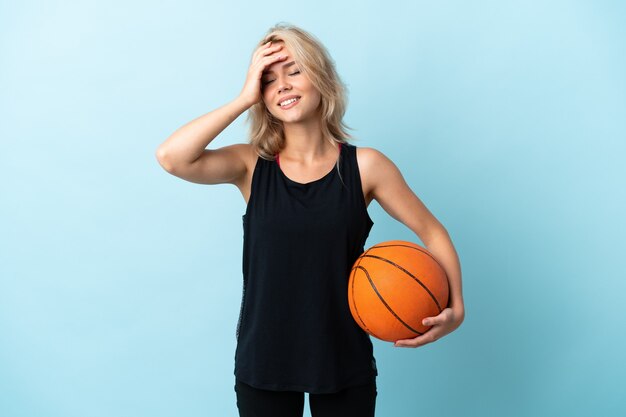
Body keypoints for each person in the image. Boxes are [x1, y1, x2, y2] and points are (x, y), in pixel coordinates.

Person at [155, 22, 465, 417]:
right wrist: (242, 98)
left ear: (322, 78)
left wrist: (456, 307)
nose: (282, 84)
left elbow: (432, 232)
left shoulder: (366, 167)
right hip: (263, 361)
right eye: (268, 79)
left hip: (342, 359)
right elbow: (172, 157)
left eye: (294, 70)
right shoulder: (252, 165)